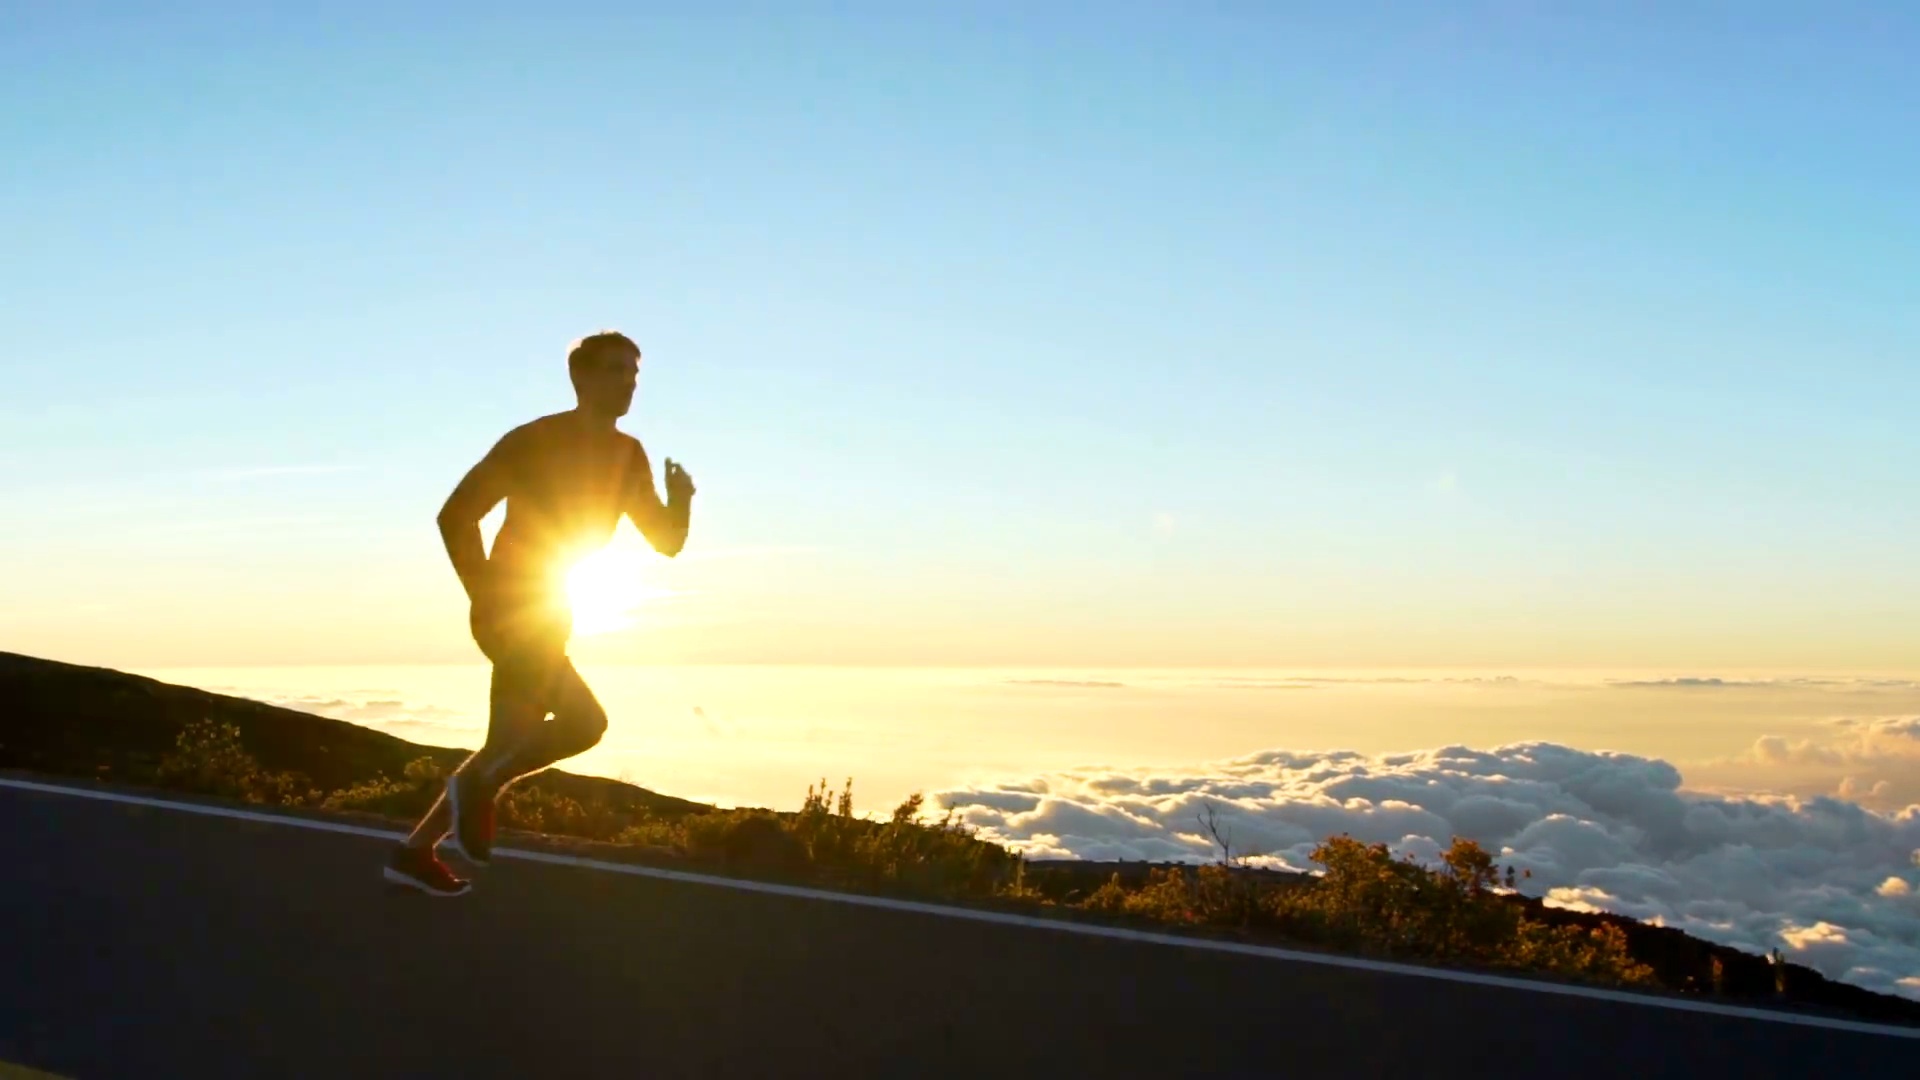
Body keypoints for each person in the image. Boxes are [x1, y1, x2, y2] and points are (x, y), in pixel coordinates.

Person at [383, 330, 695, 896]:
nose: (627, 382)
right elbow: (455, 516)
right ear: (580, 377)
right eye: (614, 370)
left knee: (506, 743)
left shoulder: (628, 456)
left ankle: (414, 851)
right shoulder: (533, 441)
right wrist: (483, 593)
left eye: (634, 373)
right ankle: (474, 789)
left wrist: (683, 500)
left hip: (555, 609)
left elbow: (666, 541)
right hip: (512, 606)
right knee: (585, 722)